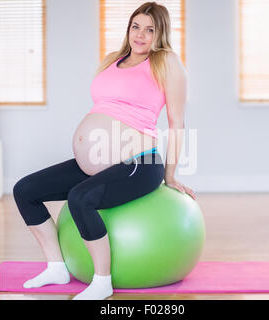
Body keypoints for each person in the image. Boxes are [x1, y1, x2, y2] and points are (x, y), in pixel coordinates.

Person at [12, 1, 195, 300]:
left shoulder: (167, 62)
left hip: (139, 162)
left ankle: (102, 281)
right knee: (25, 190)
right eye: (136, 26)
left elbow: (177, 123)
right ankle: (56, 266)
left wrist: (171, 175)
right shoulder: (114, 59)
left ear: (160, 34)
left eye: (150, 30)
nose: (141, 35)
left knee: (80, 198)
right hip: (96, 162)